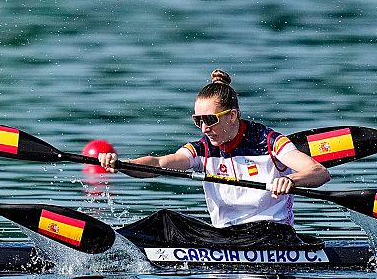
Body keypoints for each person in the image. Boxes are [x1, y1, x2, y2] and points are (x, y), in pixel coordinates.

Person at [97, 70, 331, 249]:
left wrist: (291, 181)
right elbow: (159, 164)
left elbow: (319, 172)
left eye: (210, 119)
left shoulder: (269, 142)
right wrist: (121, 164)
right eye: (198, 120)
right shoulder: (204, 149)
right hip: (225, 237)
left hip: (270, 234)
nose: (205, 128)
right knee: (164, 221)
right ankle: (110, 244)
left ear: (232, 115)